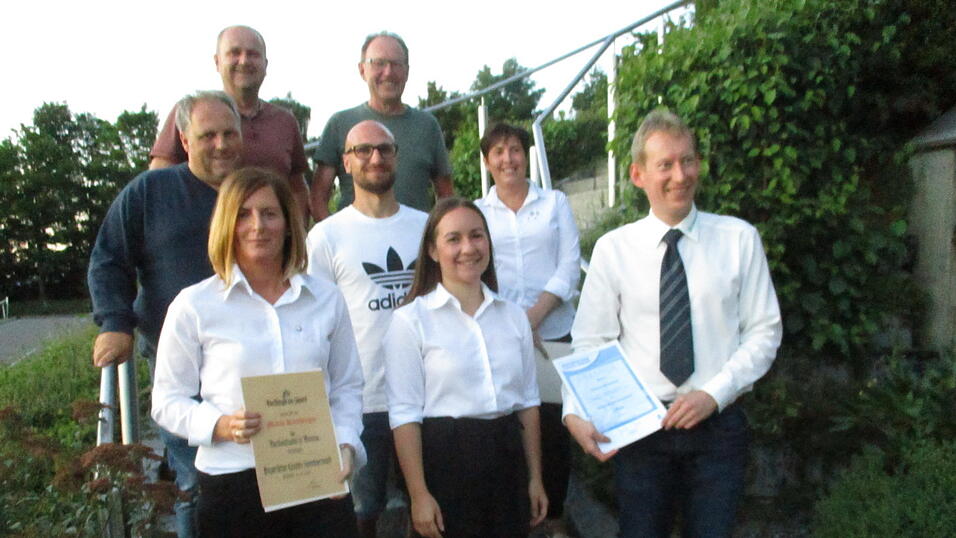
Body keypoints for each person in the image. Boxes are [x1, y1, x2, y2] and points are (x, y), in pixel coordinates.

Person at [565, 109, 783, 537]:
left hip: (718, 429)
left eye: (688, 160)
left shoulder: (739, 239)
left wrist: (713, 394)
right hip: (641, 430)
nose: (680, 175)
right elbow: (591, 342)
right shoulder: (613, 250)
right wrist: (575, 413)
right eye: (665, 164)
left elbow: (764, 332)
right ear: (637, 174)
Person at [151, 167, 365, 537]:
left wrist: (346, 443)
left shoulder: (326, 299)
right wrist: (219, 425)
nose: (258, 226)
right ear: (227, 224)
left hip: (318, 475)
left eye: (269, 213)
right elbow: (166, 401)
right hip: (233, 482)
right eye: (244, 214)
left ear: (287, 222)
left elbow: (347, 386)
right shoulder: (195, 305)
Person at [88, 90, 243, 538]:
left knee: (251, 479)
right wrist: (115, 322)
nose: (220, 144)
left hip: (250, 359)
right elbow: (108, 259)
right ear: (184, 139)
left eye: (229, 133)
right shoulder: (149, 192)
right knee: (197, 477)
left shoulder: (254, 189)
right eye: (207, 135)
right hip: (182, 365)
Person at [384, 197, 548, 538]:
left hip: (506, 460)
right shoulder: (410, 321)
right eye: (453, 239)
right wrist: (419, 495)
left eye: (477, 236)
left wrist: (535, 478)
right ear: (432, 250)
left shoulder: (514, 316)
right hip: (446, 462)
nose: (468, 248)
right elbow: (404, 415)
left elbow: (529, 404)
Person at [306, 120, 428, 537]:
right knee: (362, 512)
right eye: (363, 150)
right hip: (361, 402)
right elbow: (312, 325)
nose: (375, 158)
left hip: (426, 394)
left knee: (429, 506)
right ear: (345, 162)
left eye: (384, 149)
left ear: (396, 156)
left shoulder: (427, 226)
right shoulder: (325, 237)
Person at [474, 123, 580, 537]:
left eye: (515, 150)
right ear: (487, 161)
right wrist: (512, 323)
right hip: (498, 336)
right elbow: (477, 271)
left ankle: (554, 520)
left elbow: (569, 266)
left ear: (526, 155)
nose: (507, 159)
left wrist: (531, 317)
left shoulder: (554, 204)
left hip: (552, 335)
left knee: (555, 429)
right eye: (497, 152)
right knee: (506, 426)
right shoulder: (479, 213)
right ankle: (516, 515)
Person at [149, 25, 310, 224]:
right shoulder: (192, 113)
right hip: (203, 237)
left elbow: (297, 188)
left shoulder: (285, 122)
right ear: (217, 62)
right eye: (234, 53)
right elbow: (159, 182)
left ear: (265, 65)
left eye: (253, 54)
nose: (244, 61)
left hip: (267, 242)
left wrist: (296, 235)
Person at [310, 31, 453, 221]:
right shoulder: (339, 124)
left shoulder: (427, 126)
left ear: (407, 71)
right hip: (355, 246)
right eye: (379, 63)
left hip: (415, 246)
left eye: (396, 64)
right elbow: (318, 197)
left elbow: (446, 195)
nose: (388, 72)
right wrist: (334, 240)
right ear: (362, 70)